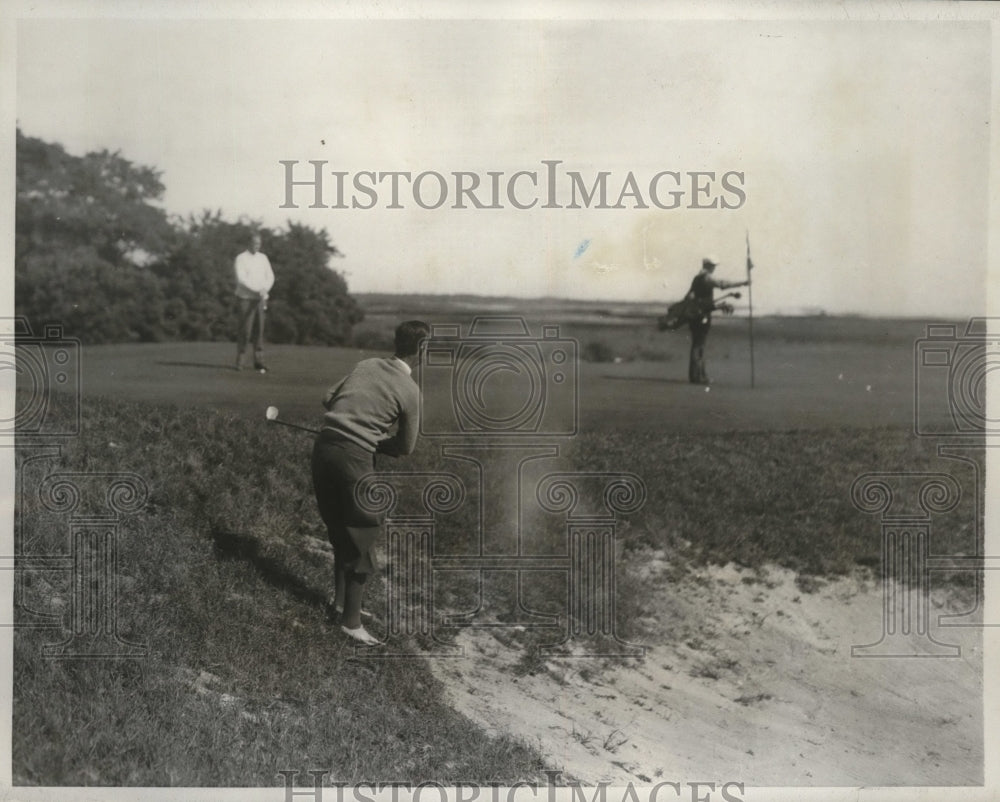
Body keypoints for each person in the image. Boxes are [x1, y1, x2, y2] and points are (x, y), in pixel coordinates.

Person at [310, 320, 431, 645]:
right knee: (363, 532)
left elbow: (328, 397)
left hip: (323, 449)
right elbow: (405, 447)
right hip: (353, 459)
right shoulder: (410, 390)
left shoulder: (366, 364)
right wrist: (376, 441)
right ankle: (350, 623)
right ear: (422, 349)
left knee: (339, 527)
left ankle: (340, 605)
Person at [686, 256, 749, 385]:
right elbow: (722, 284)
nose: (714, 268)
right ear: (708, 266)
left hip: (695, 316)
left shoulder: (696, 278)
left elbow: (690, 296)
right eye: (713, 265)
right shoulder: (705, 278)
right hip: (702, 316)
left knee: (697, 344)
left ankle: (696, 375)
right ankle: (698, 377)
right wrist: (742, 283)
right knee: (699, 345)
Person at [234, 233, 274, 372]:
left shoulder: (263, 258)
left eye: (259, 243)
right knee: (246, 330)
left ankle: (259, 361)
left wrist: (264, 289)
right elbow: (242, 279)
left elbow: (270, 276)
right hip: (245, 298)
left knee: (259, 330)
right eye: (255, 243)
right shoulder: (241, 258)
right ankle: (240, 360)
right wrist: (257, 290)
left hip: (260, 299)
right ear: (249, 243)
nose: (257, 246)